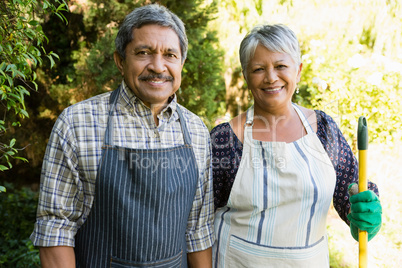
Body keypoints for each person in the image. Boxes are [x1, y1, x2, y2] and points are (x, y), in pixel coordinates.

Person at [30, 4, 214, 268]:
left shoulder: (196, 130)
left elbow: (198, 230)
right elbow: (56, 229)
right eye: (144, 53)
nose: (158, 66)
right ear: (120, 60)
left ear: (181, 62)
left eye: (170, 55)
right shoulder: (77, 124)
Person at [210, 24, 382, 267]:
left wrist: (362, 210)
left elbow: (350, 188)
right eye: (259, 69)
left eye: (280, 66)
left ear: (298, 71)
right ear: (246, 76)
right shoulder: (225, 140)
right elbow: (198, 222)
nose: (271, 77)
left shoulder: (323, 129)